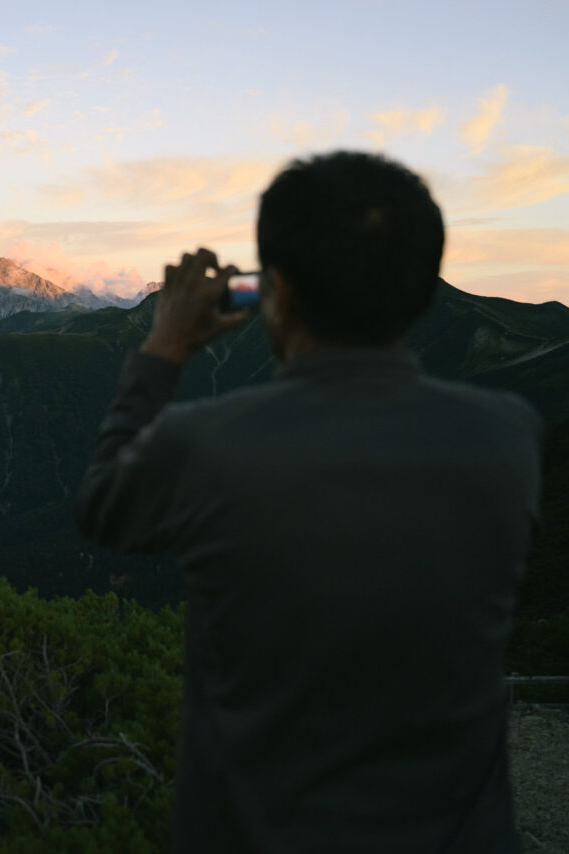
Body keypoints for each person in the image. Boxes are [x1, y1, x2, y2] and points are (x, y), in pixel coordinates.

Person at [76, 151, 541, 853]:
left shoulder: (209, 445)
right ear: (419, 291)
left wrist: (166, 344)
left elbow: (104, 505)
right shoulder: (511, 437)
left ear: (277, 292)